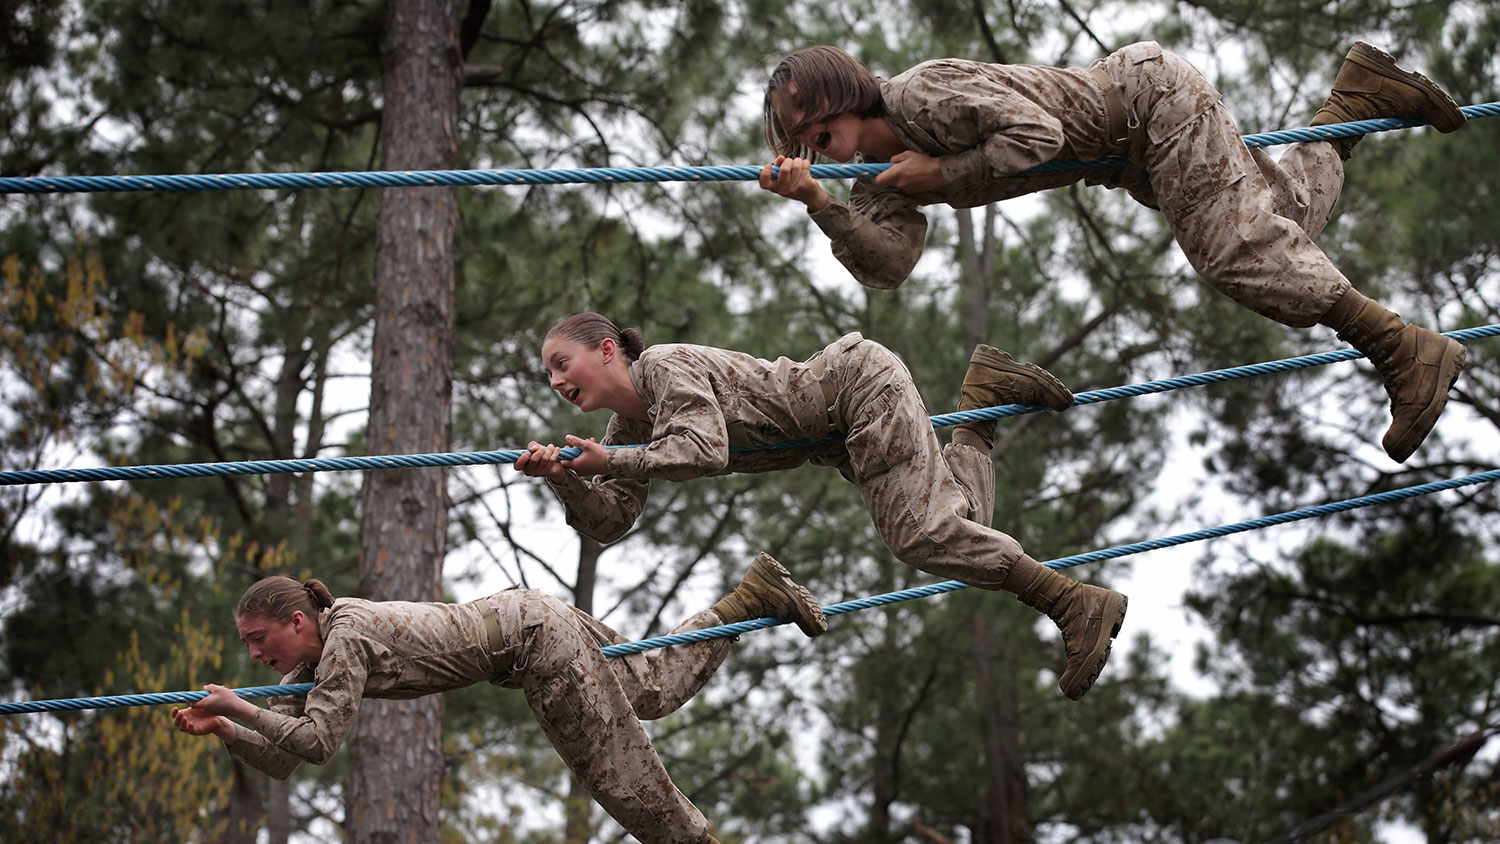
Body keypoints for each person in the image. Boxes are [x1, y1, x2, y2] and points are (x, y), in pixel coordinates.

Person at [757, 41, 1469, 463]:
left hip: (1150, 101)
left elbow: (1038, 136)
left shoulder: (921, 96)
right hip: (1132, 157)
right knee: (1282, 225)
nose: (799, 132)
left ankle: (1402, 348)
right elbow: (890, 266)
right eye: (790, 132)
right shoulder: (878, 187)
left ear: (837, 88)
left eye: (803, 110)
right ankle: (1356, 102)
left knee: (1236, 252)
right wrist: (822, 205)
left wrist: (941, 174)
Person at [515, 312, 1126, 701]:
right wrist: (563, 479)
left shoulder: (663, 368)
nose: (556, 382)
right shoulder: (627, 429)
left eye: (560, 363)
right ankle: (986, 399)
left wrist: (607, 463)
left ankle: (1073, 602)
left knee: (919, 536)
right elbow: (611, 522)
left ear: (605, 349)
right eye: (548, 375)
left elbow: (703, 449)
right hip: (840, 435)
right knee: (960, 527)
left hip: (857, 390)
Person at [170, 556, 827, 844]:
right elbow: (288, 756)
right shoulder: (309, 669)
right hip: (529, 620)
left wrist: (237, 707)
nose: (256, 658)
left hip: (531, 639)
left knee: (612, 769)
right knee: (652, 687)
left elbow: (318, 741)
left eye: (260, 641)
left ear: (295, 620)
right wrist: (227, 731)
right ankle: (750, 598)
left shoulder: (346, 634)